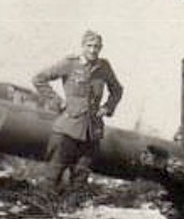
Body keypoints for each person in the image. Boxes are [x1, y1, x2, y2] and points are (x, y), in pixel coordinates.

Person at [32, 30, 123, 192]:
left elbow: (117, 89)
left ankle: (72, 207)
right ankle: (44, 205)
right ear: (82, 46)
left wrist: (107, 107)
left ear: (101, 48)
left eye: (96, 46)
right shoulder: (70, 64)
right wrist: (57, 102)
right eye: (89, 46)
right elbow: (39, 79)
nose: (93, 50)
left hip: (91, 133)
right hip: (67, 129)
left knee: (80, 179)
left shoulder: (104, 67)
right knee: (53, 176)